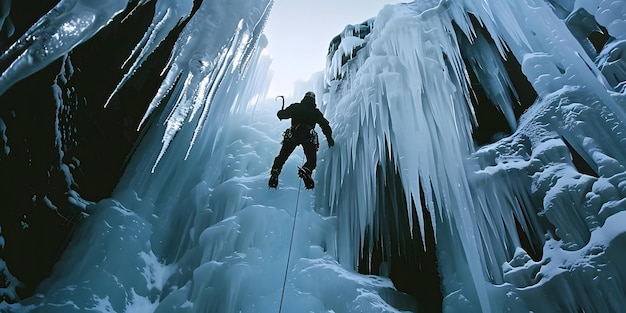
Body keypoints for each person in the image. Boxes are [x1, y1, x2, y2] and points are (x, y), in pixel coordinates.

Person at [269, 91, 334, 189]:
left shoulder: (296, 107)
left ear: (304, 98)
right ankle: (306, 170)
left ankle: (275, 171)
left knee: (282, 156)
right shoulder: (315, 112)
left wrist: (280, 113)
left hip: (293, 134)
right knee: (311, 160)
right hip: (307, 136)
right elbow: (325, 125)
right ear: (313, 100)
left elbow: (283, 115)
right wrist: (329, 138)